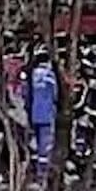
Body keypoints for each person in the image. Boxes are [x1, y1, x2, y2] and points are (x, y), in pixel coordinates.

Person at [24, 46, 58, 182]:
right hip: (48, 114)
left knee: (34, 142)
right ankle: (42, 173)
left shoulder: (31, 75)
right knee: (45, 145)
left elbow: (26, 94)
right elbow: (55, 95)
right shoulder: (52, 75)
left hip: (32, 113)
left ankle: (32, 170)